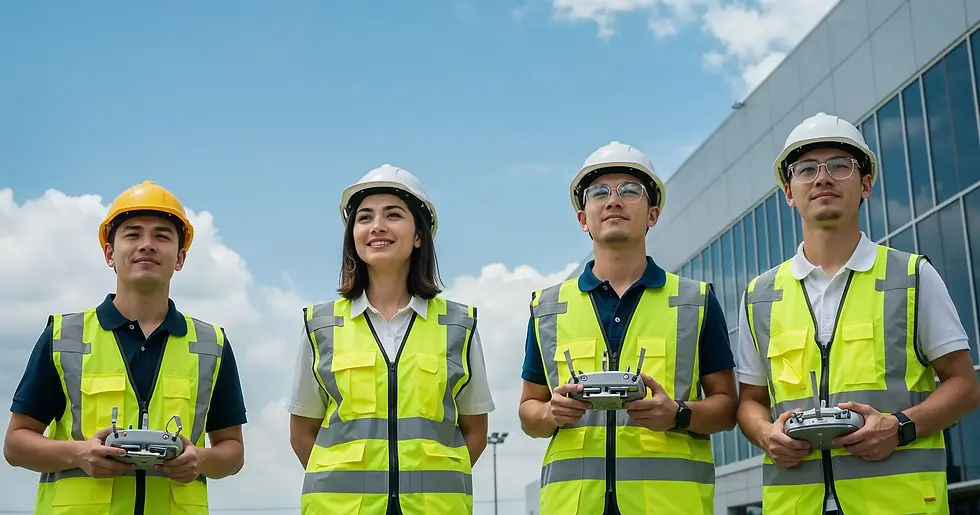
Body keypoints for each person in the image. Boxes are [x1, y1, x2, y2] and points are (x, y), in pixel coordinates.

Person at [736, 112, 980, 515]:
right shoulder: (760, 295)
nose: (822, 178)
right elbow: (750, 402)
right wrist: (766, 435)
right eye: (806, 169)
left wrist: (899, 427)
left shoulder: (912, 276)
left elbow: (965, 386)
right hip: (796, 505)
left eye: (839, 166)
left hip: (896, 505)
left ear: (865, 184)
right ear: (788, 192)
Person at [517, 142, 739, 515]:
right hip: (573, 507)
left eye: (629, 191)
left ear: (652, 214)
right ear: (582, 218)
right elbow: (528, 411)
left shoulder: (695, 302)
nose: (613, 201)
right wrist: (550, 414)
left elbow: (727, 408)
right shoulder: (548, 308)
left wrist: (678, 414)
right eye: (599, 192)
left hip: (669, 506)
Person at [3, 180, 248, 515]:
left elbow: (232, 452)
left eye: (161, 235)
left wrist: (199, 460)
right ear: (109, 253)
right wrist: (79, 454)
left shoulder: (210, 345)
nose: (146, 245)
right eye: (133, 234)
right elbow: (16, 444)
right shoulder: (64, 337)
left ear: (180, 257)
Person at [287, 164, 495, 515]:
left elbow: (475, 432)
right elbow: (302, 434)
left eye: (393, 215)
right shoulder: (320, 326)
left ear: (418, 235)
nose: (377, 226)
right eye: (364, 217)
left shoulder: (459, 325)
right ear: (353, 234)